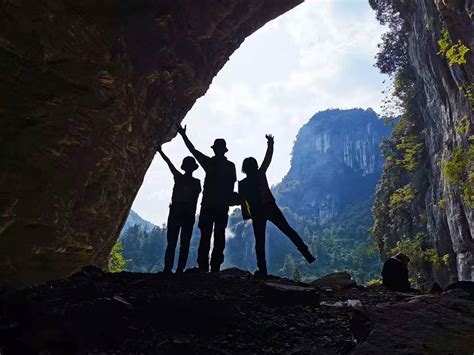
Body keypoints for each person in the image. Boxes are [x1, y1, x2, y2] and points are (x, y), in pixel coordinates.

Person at [239, 134, 315, 277]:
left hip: (257, 212)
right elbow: (267, 159)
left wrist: (246, 215)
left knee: (260, 242)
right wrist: (270, 144)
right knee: (288, 230)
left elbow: (242, 201)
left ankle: (262, 270)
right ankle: (306, 253)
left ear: (244, 169)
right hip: (269, 206)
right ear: (254, 167)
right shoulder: (260, 174)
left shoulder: (243, 184)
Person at [175, 124, 237, 272]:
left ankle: (204, 266)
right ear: (224, 149)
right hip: (221, 206)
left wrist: (184, 135)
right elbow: (232, 187)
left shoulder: (209, 163)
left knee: (206, 236)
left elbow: (193, 150)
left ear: (215, 149)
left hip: (208, 205)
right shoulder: (230, 166)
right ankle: (214, 266)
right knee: (218, 235)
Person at [158, 147, 201, 274]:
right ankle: (179, 269)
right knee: (183, 243)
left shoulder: (179, 177)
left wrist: (161, 152)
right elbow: (195, 199)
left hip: (177, 212)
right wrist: (161, 152)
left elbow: (169, 164)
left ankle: (168, 268)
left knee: (172, 242)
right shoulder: (196, 182)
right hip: (187, 214)